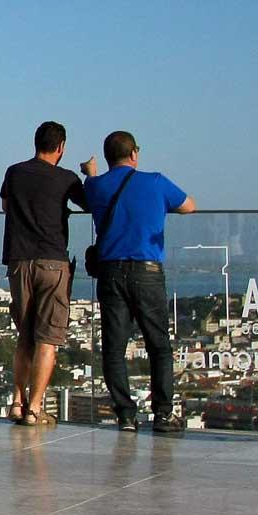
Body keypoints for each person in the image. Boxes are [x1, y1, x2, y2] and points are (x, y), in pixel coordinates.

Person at [80, 130, 196, 433]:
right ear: (134, 154)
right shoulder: (155, 182)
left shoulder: (96, 187)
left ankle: (125, 415)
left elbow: (90, 193)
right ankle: (163, 414)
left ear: (108, 158)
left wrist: (90, 174)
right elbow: (189, 205)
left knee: (114, 347)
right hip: (147, 272)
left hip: (110, 271)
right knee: (159, 345)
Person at [0, 121, 92, 426]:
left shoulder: (14, 172)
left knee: (24, 336)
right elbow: (91, 204)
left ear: (35, 142)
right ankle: (35, 408)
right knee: (47, 339)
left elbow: (5, 206)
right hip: (53, 261)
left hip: (19, 259)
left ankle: (16, 401)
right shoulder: (66, 178)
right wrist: (90, 175)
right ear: (61, 147)